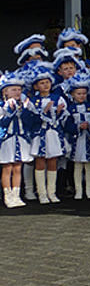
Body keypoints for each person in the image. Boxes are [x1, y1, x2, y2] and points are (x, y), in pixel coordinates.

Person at [28, 64, 68, 204]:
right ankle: (41, 193)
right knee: (40, 162)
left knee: (53, 162)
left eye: (47, 82)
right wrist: (43, 112)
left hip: (53, 134)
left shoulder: (58, 98)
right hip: (40, 134)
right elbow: (31, 120)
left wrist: (58, 113)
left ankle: (52, 192)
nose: (45, 85)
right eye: (42, 83)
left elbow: (62, 119)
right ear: (36, 86)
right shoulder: (33, 101)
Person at [0, 72, 33, 208]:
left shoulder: (24, 104)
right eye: (13, 89)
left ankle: (16, 194)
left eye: (19, 89)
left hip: (21, 138)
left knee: (18, 168)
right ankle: (7, 196)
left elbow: (29, 122)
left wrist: (24, 110)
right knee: (7, 168)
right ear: (5, 92)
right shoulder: (2, 105)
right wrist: (10, 111)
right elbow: (3, 123)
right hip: (7, 139)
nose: (17, 92)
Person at [64, 75, 90, 200]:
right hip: (76, 140)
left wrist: (89, 126)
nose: (82, 96)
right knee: (77, 166)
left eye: (84, 93)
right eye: (78, 93)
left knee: (89, 166)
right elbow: (67, 125)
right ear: (72, 94)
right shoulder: (70, 109)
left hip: (88, 140)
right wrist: (77, 127)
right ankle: (78, 190)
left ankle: (89, 190)